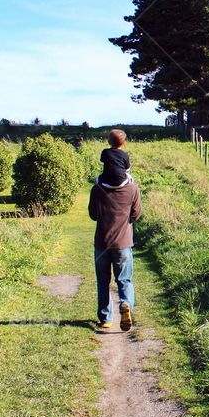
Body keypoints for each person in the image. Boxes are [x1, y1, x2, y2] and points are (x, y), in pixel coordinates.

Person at [88, 131, 142, 331]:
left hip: (101, 242)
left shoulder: (96, 189)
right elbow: (136, 214)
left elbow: (93, 215)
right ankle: (125, 303)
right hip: (123, 243)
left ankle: (105, 318)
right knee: (124, 279)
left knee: (103, 281)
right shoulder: (133, 189)